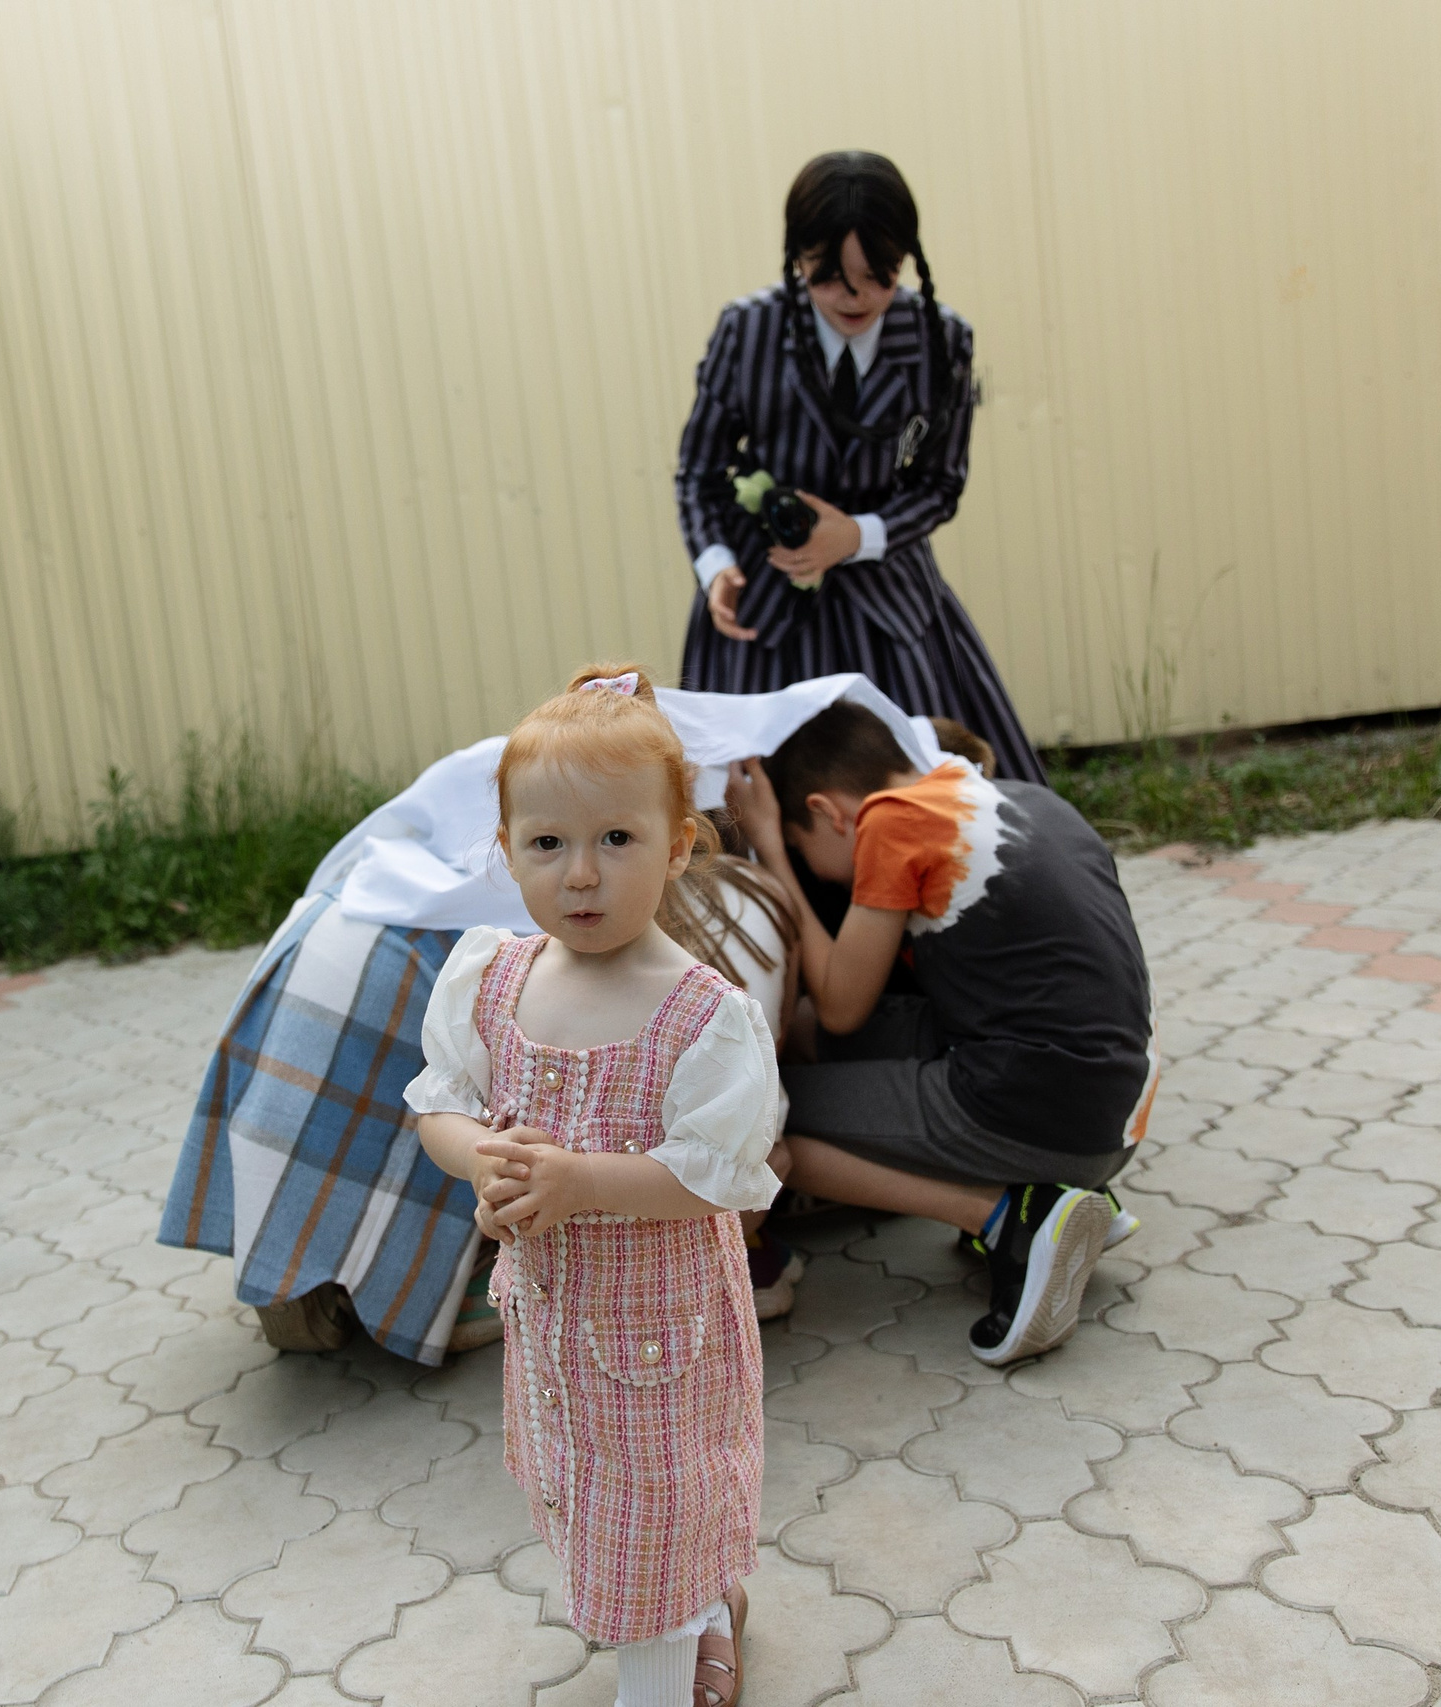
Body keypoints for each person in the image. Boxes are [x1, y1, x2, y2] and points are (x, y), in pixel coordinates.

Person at [408, 665, 780, 1707]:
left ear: (679, 845)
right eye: (547, 844)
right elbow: (439, 1106)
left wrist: (579, 1181)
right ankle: (705, 1607)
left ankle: (663, 1663)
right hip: (557, 1342)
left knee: (655, 1513)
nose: (581, 874)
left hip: (662, 1341)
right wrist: (478, 1157)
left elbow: (715, 1179)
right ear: (506, 850)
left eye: (616, 838)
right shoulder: (495, 978)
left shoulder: (701, 1015)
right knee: (596, 1508)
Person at [726, 699, 1160, 1366]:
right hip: (1115, 1106)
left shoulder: (893, 821)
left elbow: (840, 1005)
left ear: (828, 812)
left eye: (807, 847)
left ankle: (1010, 1216)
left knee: (766, 1127)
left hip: (1050, 1118)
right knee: (810, 1034)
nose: (817, 870)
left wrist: (774, 854)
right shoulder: (1021, 797)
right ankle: (1071, 1194)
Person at [677, 150, 1047, 784]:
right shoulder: (749, 330)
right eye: (829, 276)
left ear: (906, 259)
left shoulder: (941, 339)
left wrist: (855, 535)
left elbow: (941, 484)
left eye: (879, 275)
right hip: (765, 602)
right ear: (797, 258)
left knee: (922, 781)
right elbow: (699, 472)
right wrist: (715, 567)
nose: (856, 296)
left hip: (891, 604)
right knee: (753, 791)